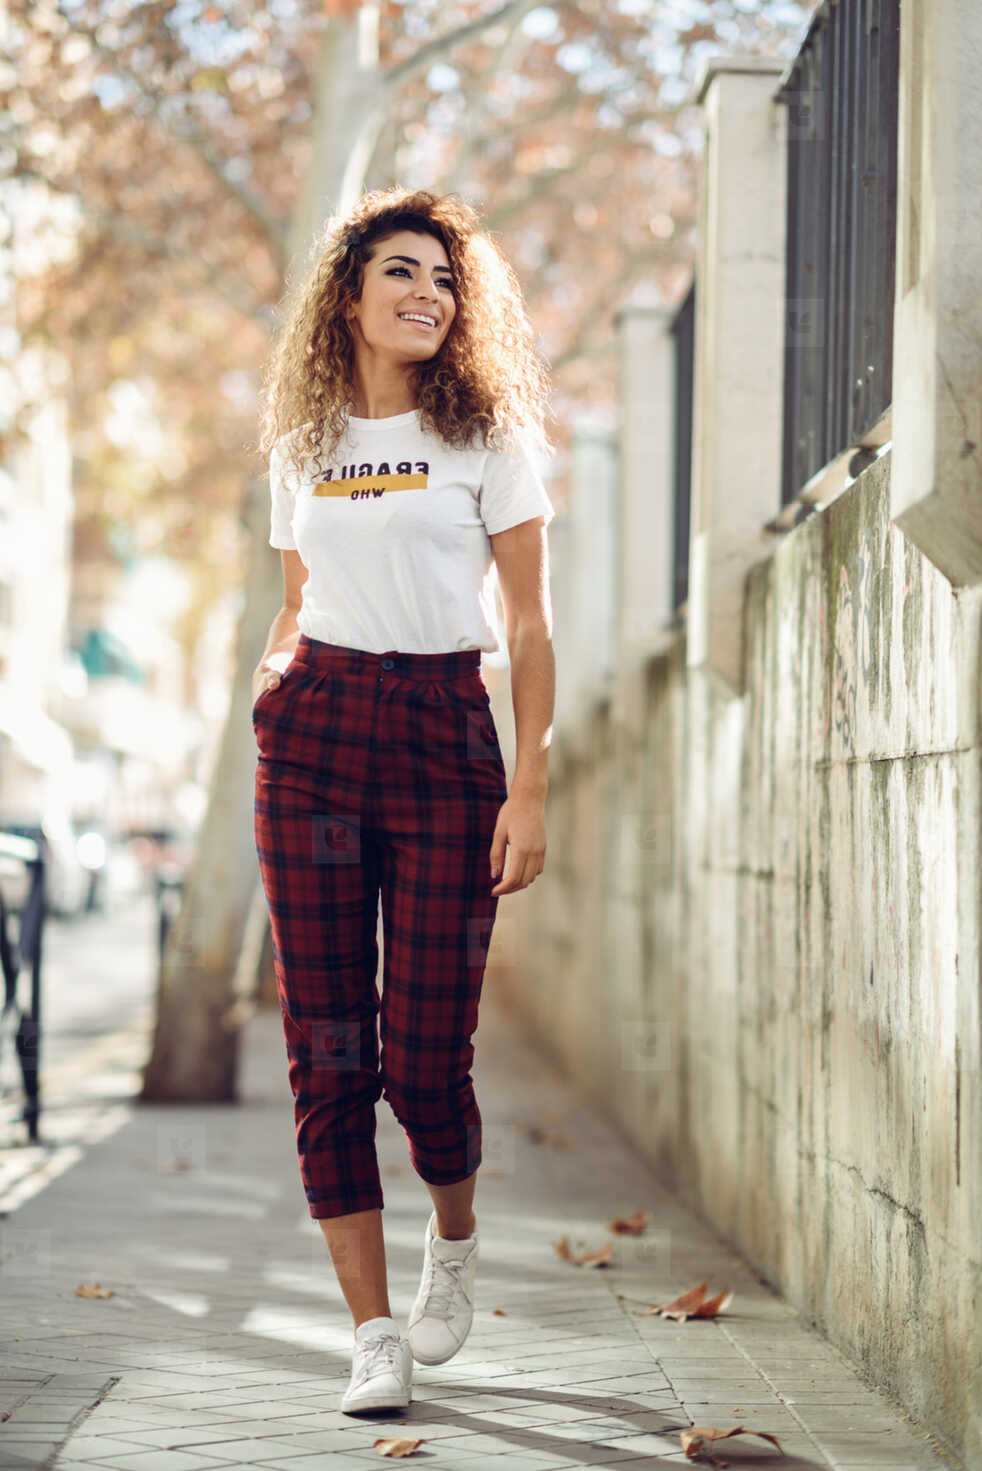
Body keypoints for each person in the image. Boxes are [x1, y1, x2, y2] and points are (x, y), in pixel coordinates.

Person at [253, 186, 556, 1415]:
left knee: (426, 1061)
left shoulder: (486, 439)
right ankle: (370, 1334)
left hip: (444, 735)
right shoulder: (303, 445)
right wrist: (273, 677)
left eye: (444, 279)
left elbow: (529, 625)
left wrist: (529, 778)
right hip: (314, 733)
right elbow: (298, 592)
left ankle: (455, 1236)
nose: (428, 294)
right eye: (402, 274)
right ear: (350, 296)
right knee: (329, 1051)